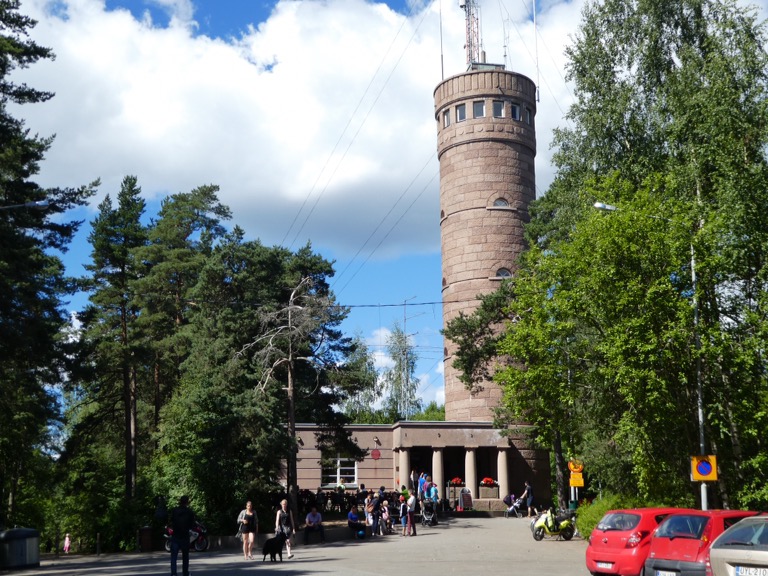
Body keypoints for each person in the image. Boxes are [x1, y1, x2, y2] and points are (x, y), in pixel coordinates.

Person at [169, 495, 196, 576]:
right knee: (185, 556)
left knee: (174, 557)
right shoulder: (190, 512)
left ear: (180, 501)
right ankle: (185, 573)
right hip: (185, 536)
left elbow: (172, 521)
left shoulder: (175, 510)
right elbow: (192, 525)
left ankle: (174, 573)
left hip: (176, 536)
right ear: (187, 502)